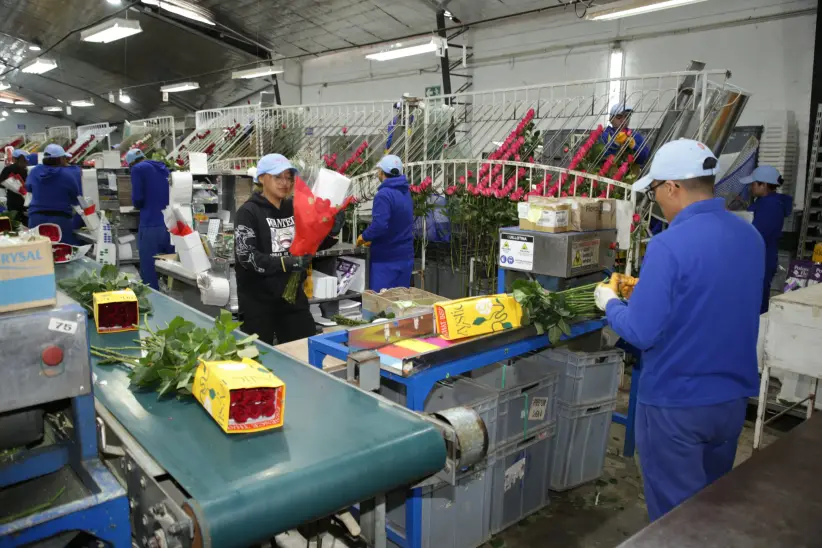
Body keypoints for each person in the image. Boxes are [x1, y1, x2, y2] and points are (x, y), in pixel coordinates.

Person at [594, 139, 764, 522]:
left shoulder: (669, 246)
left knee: (674, 520)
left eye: (655, 192)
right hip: (730, 402)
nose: (657, 202)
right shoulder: (750, 238)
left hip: (677, 405)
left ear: (672, 187)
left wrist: (610, 303)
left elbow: (641, 331)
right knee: (709, 507)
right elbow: (715, 301)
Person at [235, 154, 339, 345]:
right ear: (262, 178)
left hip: (292, 298)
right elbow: (246, 257)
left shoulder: (294, 207)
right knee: (259, 357)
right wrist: (285, 262)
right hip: (258, 301)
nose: (285, 183)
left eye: (289, 178)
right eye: (278, 177)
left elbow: (310, 243)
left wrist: (330, 233)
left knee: (304, 349)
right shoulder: (248, 212)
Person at [357, 155, 414, 292]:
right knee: (400, 303)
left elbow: (380, 225)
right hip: (405, 257)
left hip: (386, 260)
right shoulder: (405, 192)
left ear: (381, 173)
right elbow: (399, 222)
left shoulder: (384, 195)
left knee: (381, 305)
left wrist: (364, 237)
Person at [741, 165, 793, 314]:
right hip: (761, 258)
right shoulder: (766, 202)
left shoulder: (770, 206)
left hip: (760, 259)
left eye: (753, 184)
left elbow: (756, 234)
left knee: (756, 304)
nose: (751, 187)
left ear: (763, 185)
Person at [127, 148, 172, 290]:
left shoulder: (137, 169)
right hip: (170, 224)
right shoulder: (163, 168)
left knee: (148, 270)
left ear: (131, 163)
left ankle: (153, 301)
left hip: (151, 224)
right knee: (171, 269)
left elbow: (138, 199)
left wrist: (136, 204)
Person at [27, 144, 83, 244]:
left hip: (36, 218)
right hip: (60, 219)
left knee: (39, 250)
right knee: (61, 251)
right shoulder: (67, 175)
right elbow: (76, 195)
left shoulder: (34, 171)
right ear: (60, 159)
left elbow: (28, 188)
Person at [1, 149, 30, 225]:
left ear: (14, 159)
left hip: (13, 200)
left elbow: (1, 183)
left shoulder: (8, 168)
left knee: (15, 223)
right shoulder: (27, 169)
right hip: (26, 199)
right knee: (26, 222)